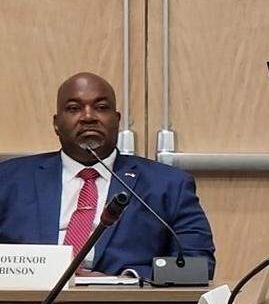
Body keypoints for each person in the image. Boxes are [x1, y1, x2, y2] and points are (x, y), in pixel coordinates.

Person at [0, 72, 216, 280]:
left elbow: (198, 265)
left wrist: (125, 281)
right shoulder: (9, 179)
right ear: (56, 124)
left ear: (116, 119)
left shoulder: (168, 184)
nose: (88, 117)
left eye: (101, 108)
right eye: (74, 108)